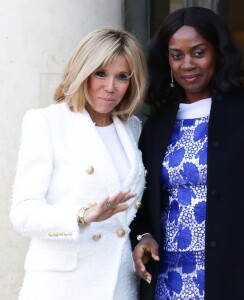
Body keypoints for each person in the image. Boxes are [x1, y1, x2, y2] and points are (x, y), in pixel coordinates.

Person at [130, 7, 244, 300]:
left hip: (243, 279)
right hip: (170, 283)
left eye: (198, 52)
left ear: (219, 53)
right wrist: (143, 235)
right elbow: (142, 204)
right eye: (176, 55)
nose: (187, 64)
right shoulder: (157, 125)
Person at [10, 27, 147, 300]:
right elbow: (22, 214)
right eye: (101, 73)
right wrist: (82, 215)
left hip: (118, 284)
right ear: (83, 71)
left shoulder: (132, 127)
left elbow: (132, 210)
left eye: (122, 77)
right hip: (62, 287)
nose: (110, 87)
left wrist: (144, 236)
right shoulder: (46, 122)